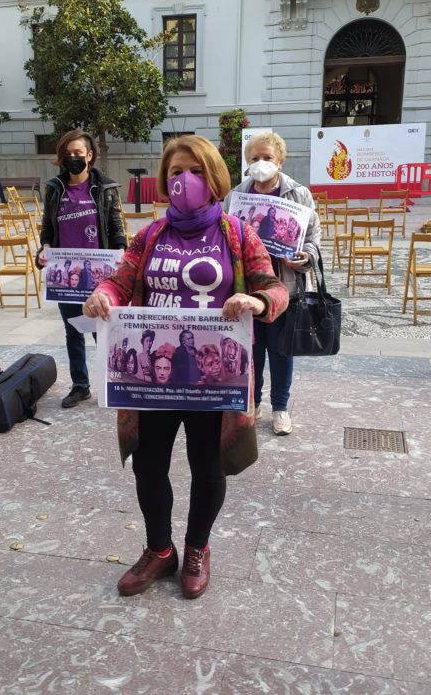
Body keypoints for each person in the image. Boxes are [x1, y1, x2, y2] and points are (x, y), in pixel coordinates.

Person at [84, 134, 288, 599]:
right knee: (149, 466)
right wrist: (104, 295)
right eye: (175, 172)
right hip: (154, 379)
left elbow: (277, 289)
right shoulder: (151, 234)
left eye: (194, 171)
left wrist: (255, 299)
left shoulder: (237, 234)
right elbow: (121, 279)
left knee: (207, 464)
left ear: (213, 177)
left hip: (211, 381)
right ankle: (160, 550)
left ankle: (197, 548)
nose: (184, 180)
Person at [225, 131, 321, 435]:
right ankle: (252, 403)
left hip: (286, 288)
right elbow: (225, 236)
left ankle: (280, 408)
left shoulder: (298, 194)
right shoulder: (236, 195)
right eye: (255, 158)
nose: (261, 163)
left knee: (281, 352)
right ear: (247, 163)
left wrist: (306, 256)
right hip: (248, 291)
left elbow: (314, 236)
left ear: (279, 161)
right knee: (251, 352)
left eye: (267, 158)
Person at [36, 129, 126, 409]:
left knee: (102, 330)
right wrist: (45, 248)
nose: (73, 158)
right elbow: (47, 228)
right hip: (67, 276)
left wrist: (121, 249)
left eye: (79, 153)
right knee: (73, 330)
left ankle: (112, 384)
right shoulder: (54, 189)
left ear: (90, 155)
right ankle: (80, 385)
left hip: (100, 276)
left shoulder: (106, 188)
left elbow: (115, 226)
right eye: (68, 153)